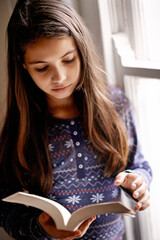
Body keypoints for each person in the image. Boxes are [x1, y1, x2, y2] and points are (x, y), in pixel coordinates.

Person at [0, 0, 152, 239]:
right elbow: (5, 208)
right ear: (23, 66)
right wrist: (39, 227)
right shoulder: (22, 127)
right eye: (42, 68)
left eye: (68, 60)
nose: (59, 77)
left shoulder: (117, 106)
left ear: (82, 51)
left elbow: (140, 166)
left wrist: (139, 183)